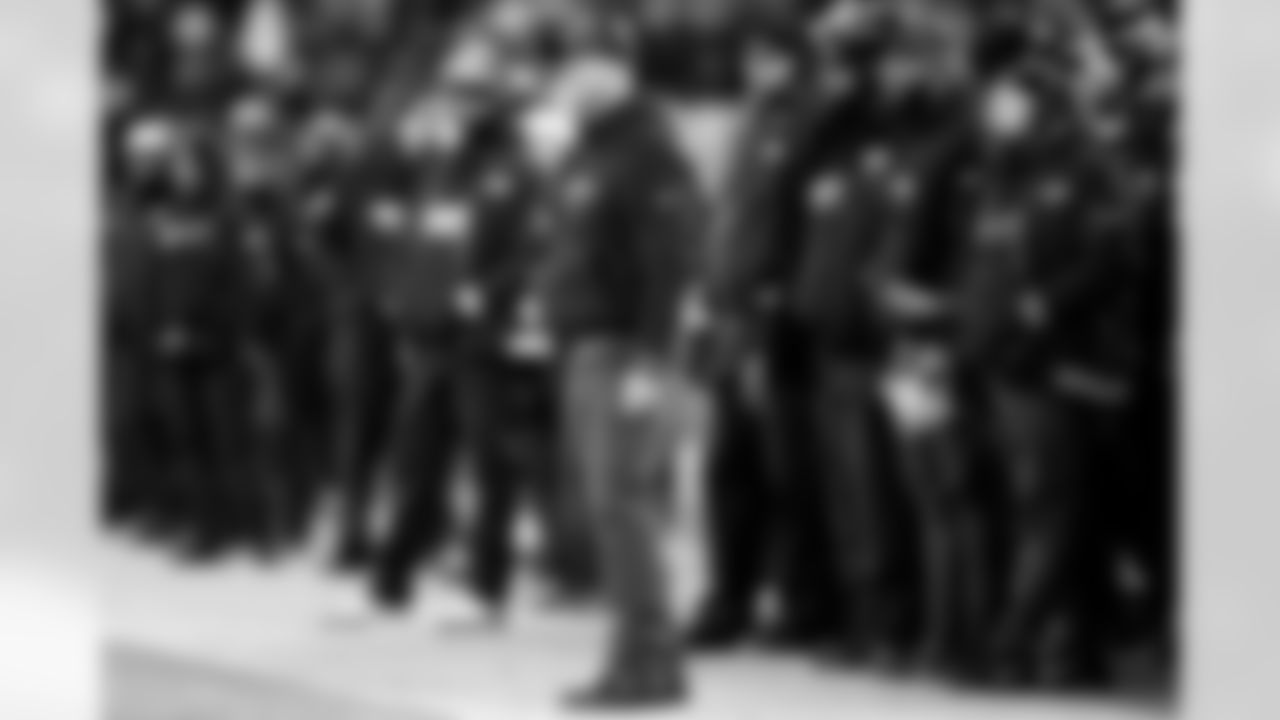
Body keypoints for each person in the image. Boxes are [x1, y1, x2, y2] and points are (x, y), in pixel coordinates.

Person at [536, 26, 705, 709]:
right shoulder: (587, 149)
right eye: (565, 66)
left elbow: (669, 264)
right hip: (584, 347)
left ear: (617, 70)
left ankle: (650, 663)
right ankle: (639, 658)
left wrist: (652, 360)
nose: (571, 80)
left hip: (622, 352)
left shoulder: (648, 150)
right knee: (612, 512)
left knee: (625, 508)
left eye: (585, 66)